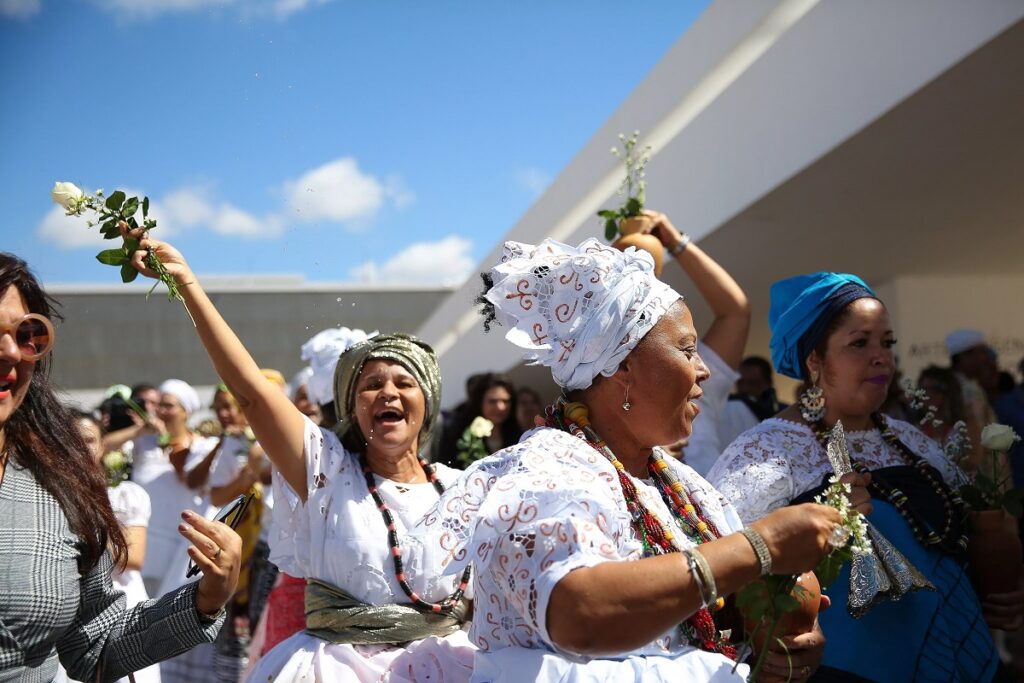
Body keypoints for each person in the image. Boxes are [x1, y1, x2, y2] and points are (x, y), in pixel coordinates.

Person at [411, 235, 847, 681]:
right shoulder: (550, 470)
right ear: (623, 367)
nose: (704, 370)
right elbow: (578, 612)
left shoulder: (675, 481)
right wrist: (760, 546)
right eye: (687, 349)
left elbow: (708, 615)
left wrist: (773, 627)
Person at [123, 229, 475, 682]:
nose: (388, 391)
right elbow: (251, 393)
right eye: (371, 384)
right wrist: (187, 285)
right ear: (352, 408)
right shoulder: (328, 468)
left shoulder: (462, 486)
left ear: (426, 401)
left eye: (404, 382)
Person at [708, 272, 1024, 681]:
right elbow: (718, 563)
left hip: (965, 659)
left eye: (887, 343)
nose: (882, 357)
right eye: (860, 343)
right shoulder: (770, 452)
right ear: (815, 362)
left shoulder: (912, 441)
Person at [0, 252, 240, 682]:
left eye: (26, 334)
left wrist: (205, 599)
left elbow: (94, 647)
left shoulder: (59, 485)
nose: (8, 352)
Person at [75, 411, 162, 683]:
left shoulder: (124, 494)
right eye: (70, 440)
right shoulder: (45, 495)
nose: (80, 448)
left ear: (103, 445)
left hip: (120, 600)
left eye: (88, 440)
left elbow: (133, 557)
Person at [439, 372, 520, 468]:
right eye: (492, 401)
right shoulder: (460, 435)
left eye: (506, 401)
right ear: (480, 402)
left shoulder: (518, 435)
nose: (500, 407)